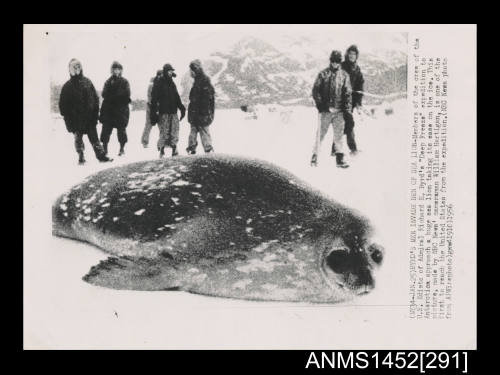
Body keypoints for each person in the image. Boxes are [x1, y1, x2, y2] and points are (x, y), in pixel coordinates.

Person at [58, 58, 113, 165]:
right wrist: (68, 118)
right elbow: (63, 105)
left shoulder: (87, 82)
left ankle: (101, 156)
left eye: (79, 66)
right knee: (78, 139)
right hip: (75, 120)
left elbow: (95, 99)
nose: (77, 69)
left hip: (89, 118)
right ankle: (81, 156)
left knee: (94, 139)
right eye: (75, 67)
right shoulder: (67, 86)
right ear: (70, 70)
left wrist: (95, 113)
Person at [311, 50, 352, 168]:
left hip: (339, 111)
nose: (335, 63)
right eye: (333, 61)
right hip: (326, 111)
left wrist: (346, 109)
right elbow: (316, 90)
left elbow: (347, 93)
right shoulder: (323, 74)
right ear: (330, 61)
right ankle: (315, 156)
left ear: (340, 62)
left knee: (338, 135)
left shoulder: (344, 75)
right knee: (321, 134)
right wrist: (320, 104)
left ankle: (340, 159)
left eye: (337, 61)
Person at [332, 44, 364, 156]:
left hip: (351, 102)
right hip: (341, 100)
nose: (352, 56)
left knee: (344, 124)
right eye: (350, 54)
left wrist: (358, 100)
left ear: (356, 56)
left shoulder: (357, 68)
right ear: (347, 55)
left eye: (354, 54)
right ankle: (353, 149)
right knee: (348, 123)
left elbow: (360, 85)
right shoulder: (342, 66)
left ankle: (335, 150)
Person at [150, 63, 186, 158]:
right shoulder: (159, 82)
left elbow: (176, 97)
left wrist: (182, 108)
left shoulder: (172, 83)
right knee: (164, 131)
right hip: (163, 112)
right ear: (165, 71)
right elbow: (154, 98)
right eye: (169, 71)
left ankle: (174, 148)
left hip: (173, 112)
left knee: (174, 130)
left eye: (171, 71)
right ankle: (161, 150)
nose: (171, 73)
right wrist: (153, 112)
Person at [99, 61, 131, 156]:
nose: (116, 71)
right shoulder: (108, 82)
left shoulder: (125, 82)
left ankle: (122, 148)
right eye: (115, 69)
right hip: (109, 110)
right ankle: (105, 149)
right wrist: (114, 97)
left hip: (121, 110)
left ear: (121, 70)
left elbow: (127, 94)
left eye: (118, 69)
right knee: (106, 130)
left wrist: (116, 97)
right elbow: (104, 93)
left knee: (121, 130)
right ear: (112, 70)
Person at [186, 59, 215, 154]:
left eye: (191, 71)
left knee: (202, 130)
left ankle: (206, 149)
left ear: (195, 70)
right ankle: (194, 148)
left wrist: (202, 112)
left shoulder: (203, 81)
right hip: (197, 113)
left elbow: (206, 99)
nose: (190, 73)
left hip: (201, 113)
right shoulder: (200, 81)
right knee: (195, 131)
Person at [141, 69, 163, 148]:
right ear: (157, 76)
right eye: (160, 75)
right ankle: (145, 142)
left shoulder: (162, 84)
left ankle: (161, 142)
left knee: (161, 125)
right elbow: (150, 97)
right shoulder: (152, 85)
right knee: (149, 124)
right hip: (151, 107)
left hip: (160, 108)